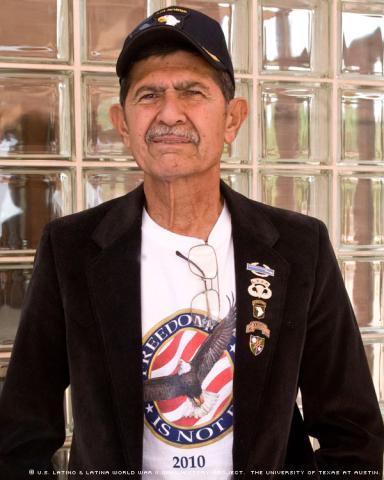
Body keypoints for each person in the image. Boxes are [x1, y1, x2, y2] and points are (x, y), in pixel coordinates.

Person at [0, 6, 383, 480]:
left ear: (232, 120)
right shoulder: (71, 250)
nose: (169, 112)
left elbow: (354, 433)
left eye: (192, 91)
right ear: (123, 124)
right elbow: (19, 436)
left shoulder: (298, 249)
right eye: (149, 94)